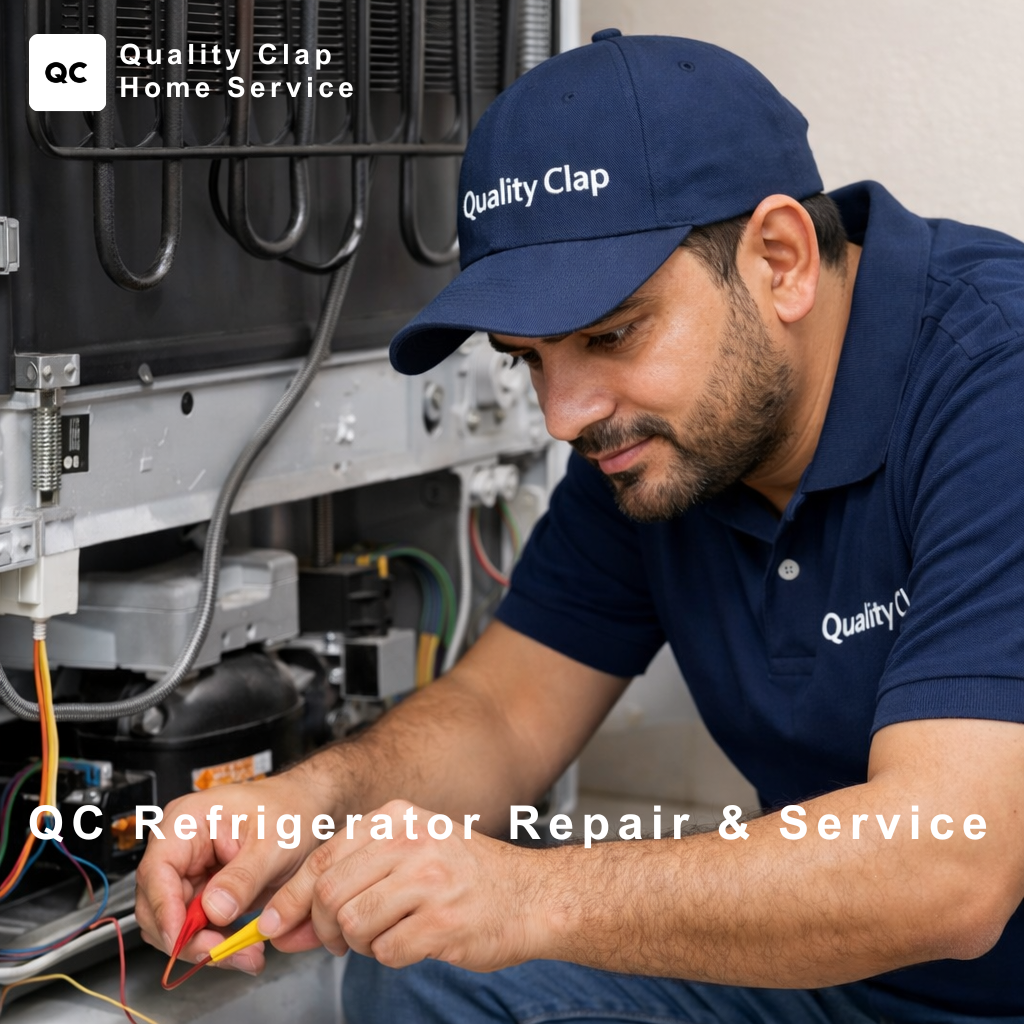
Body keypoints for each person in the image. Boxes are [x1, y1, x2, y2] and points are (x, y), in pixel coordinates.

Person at [135, 31, 1024, 1023]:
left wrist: (527, 895)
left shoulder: (994, 381)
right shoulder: (663, 446)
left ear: (781, 260)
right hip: (832, 979)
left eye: (610, 334)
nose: (564, 414)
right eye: (528, 358)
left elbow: (952, 868)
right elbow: (508, 713)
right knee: (420, 960)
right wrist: (304, 807)